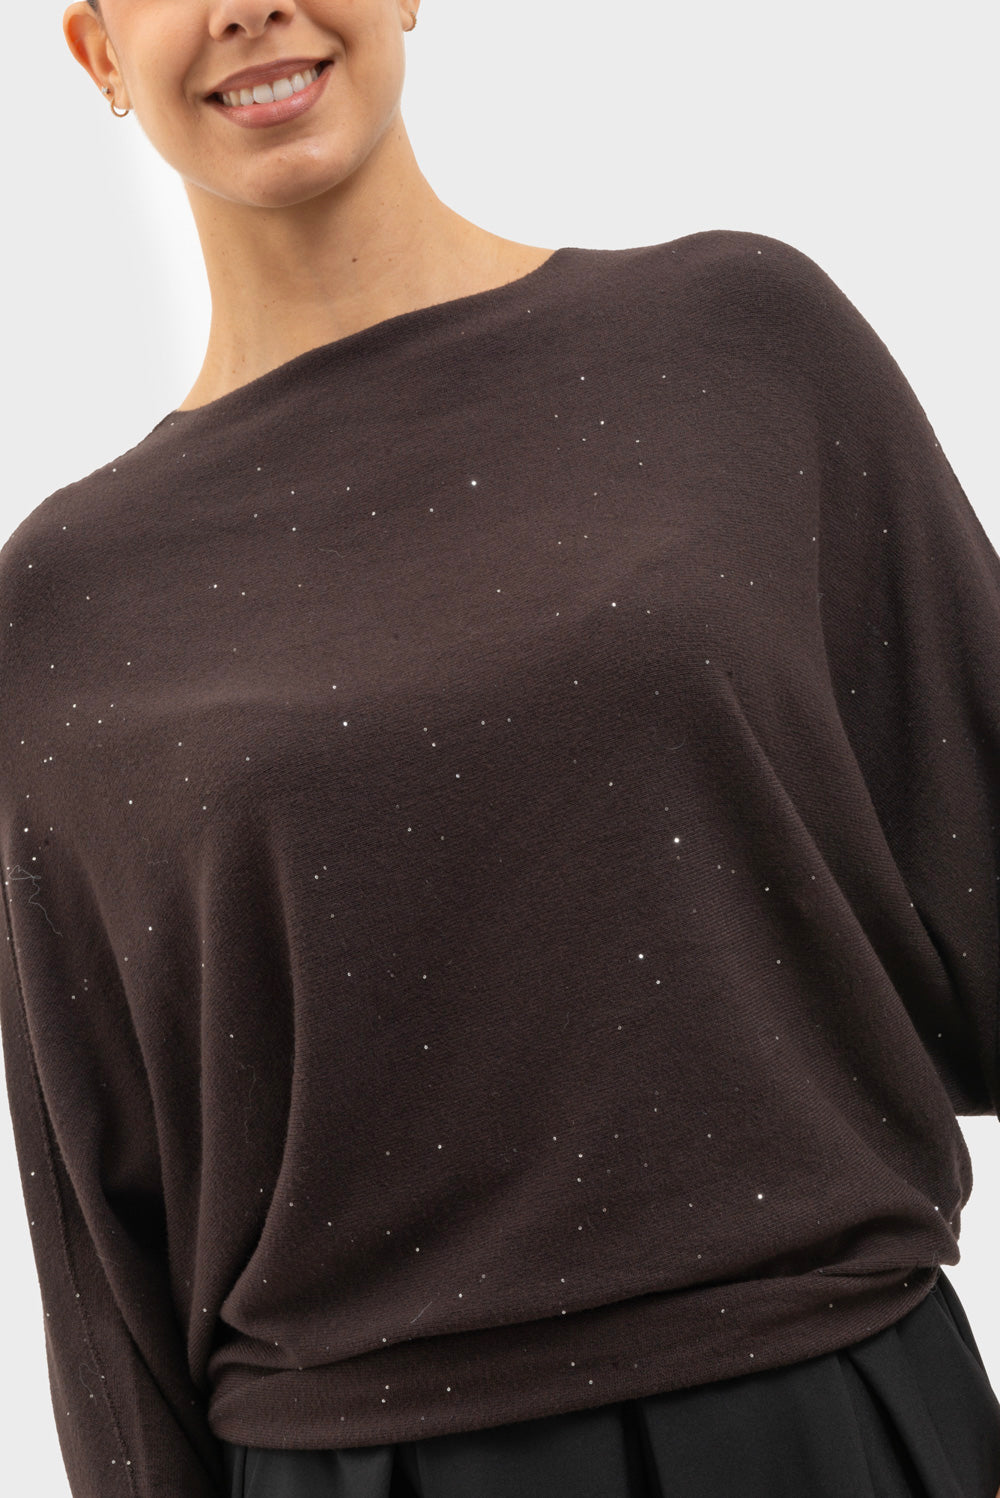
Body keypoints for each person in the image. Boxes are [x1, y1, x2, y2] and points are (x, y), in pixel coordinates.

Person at [0, 2, 998, 1495]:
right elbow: (101, 1242)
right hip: (360, 1460)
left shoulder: (739, 342)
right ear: (96, 55)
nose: (248, 7)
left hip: (824, 1411)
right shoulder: (63, 602)